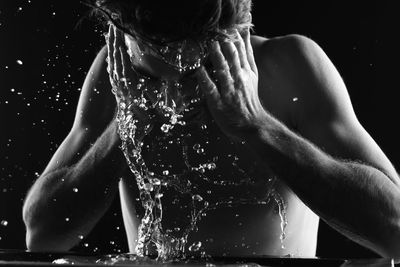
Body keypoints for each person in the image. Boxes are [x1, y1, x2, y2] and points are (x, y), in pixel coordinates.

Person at [22, 0, 400, 259]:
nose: (180, 89)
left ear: (233, 34)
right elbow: (42, 234)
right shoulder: (117, 73)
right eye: (161, 66)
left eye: (201, 66)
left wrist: (258, 127)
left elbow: (394, 228)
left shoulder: (292, 66)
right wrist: (126, 126)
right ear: (125, 35)